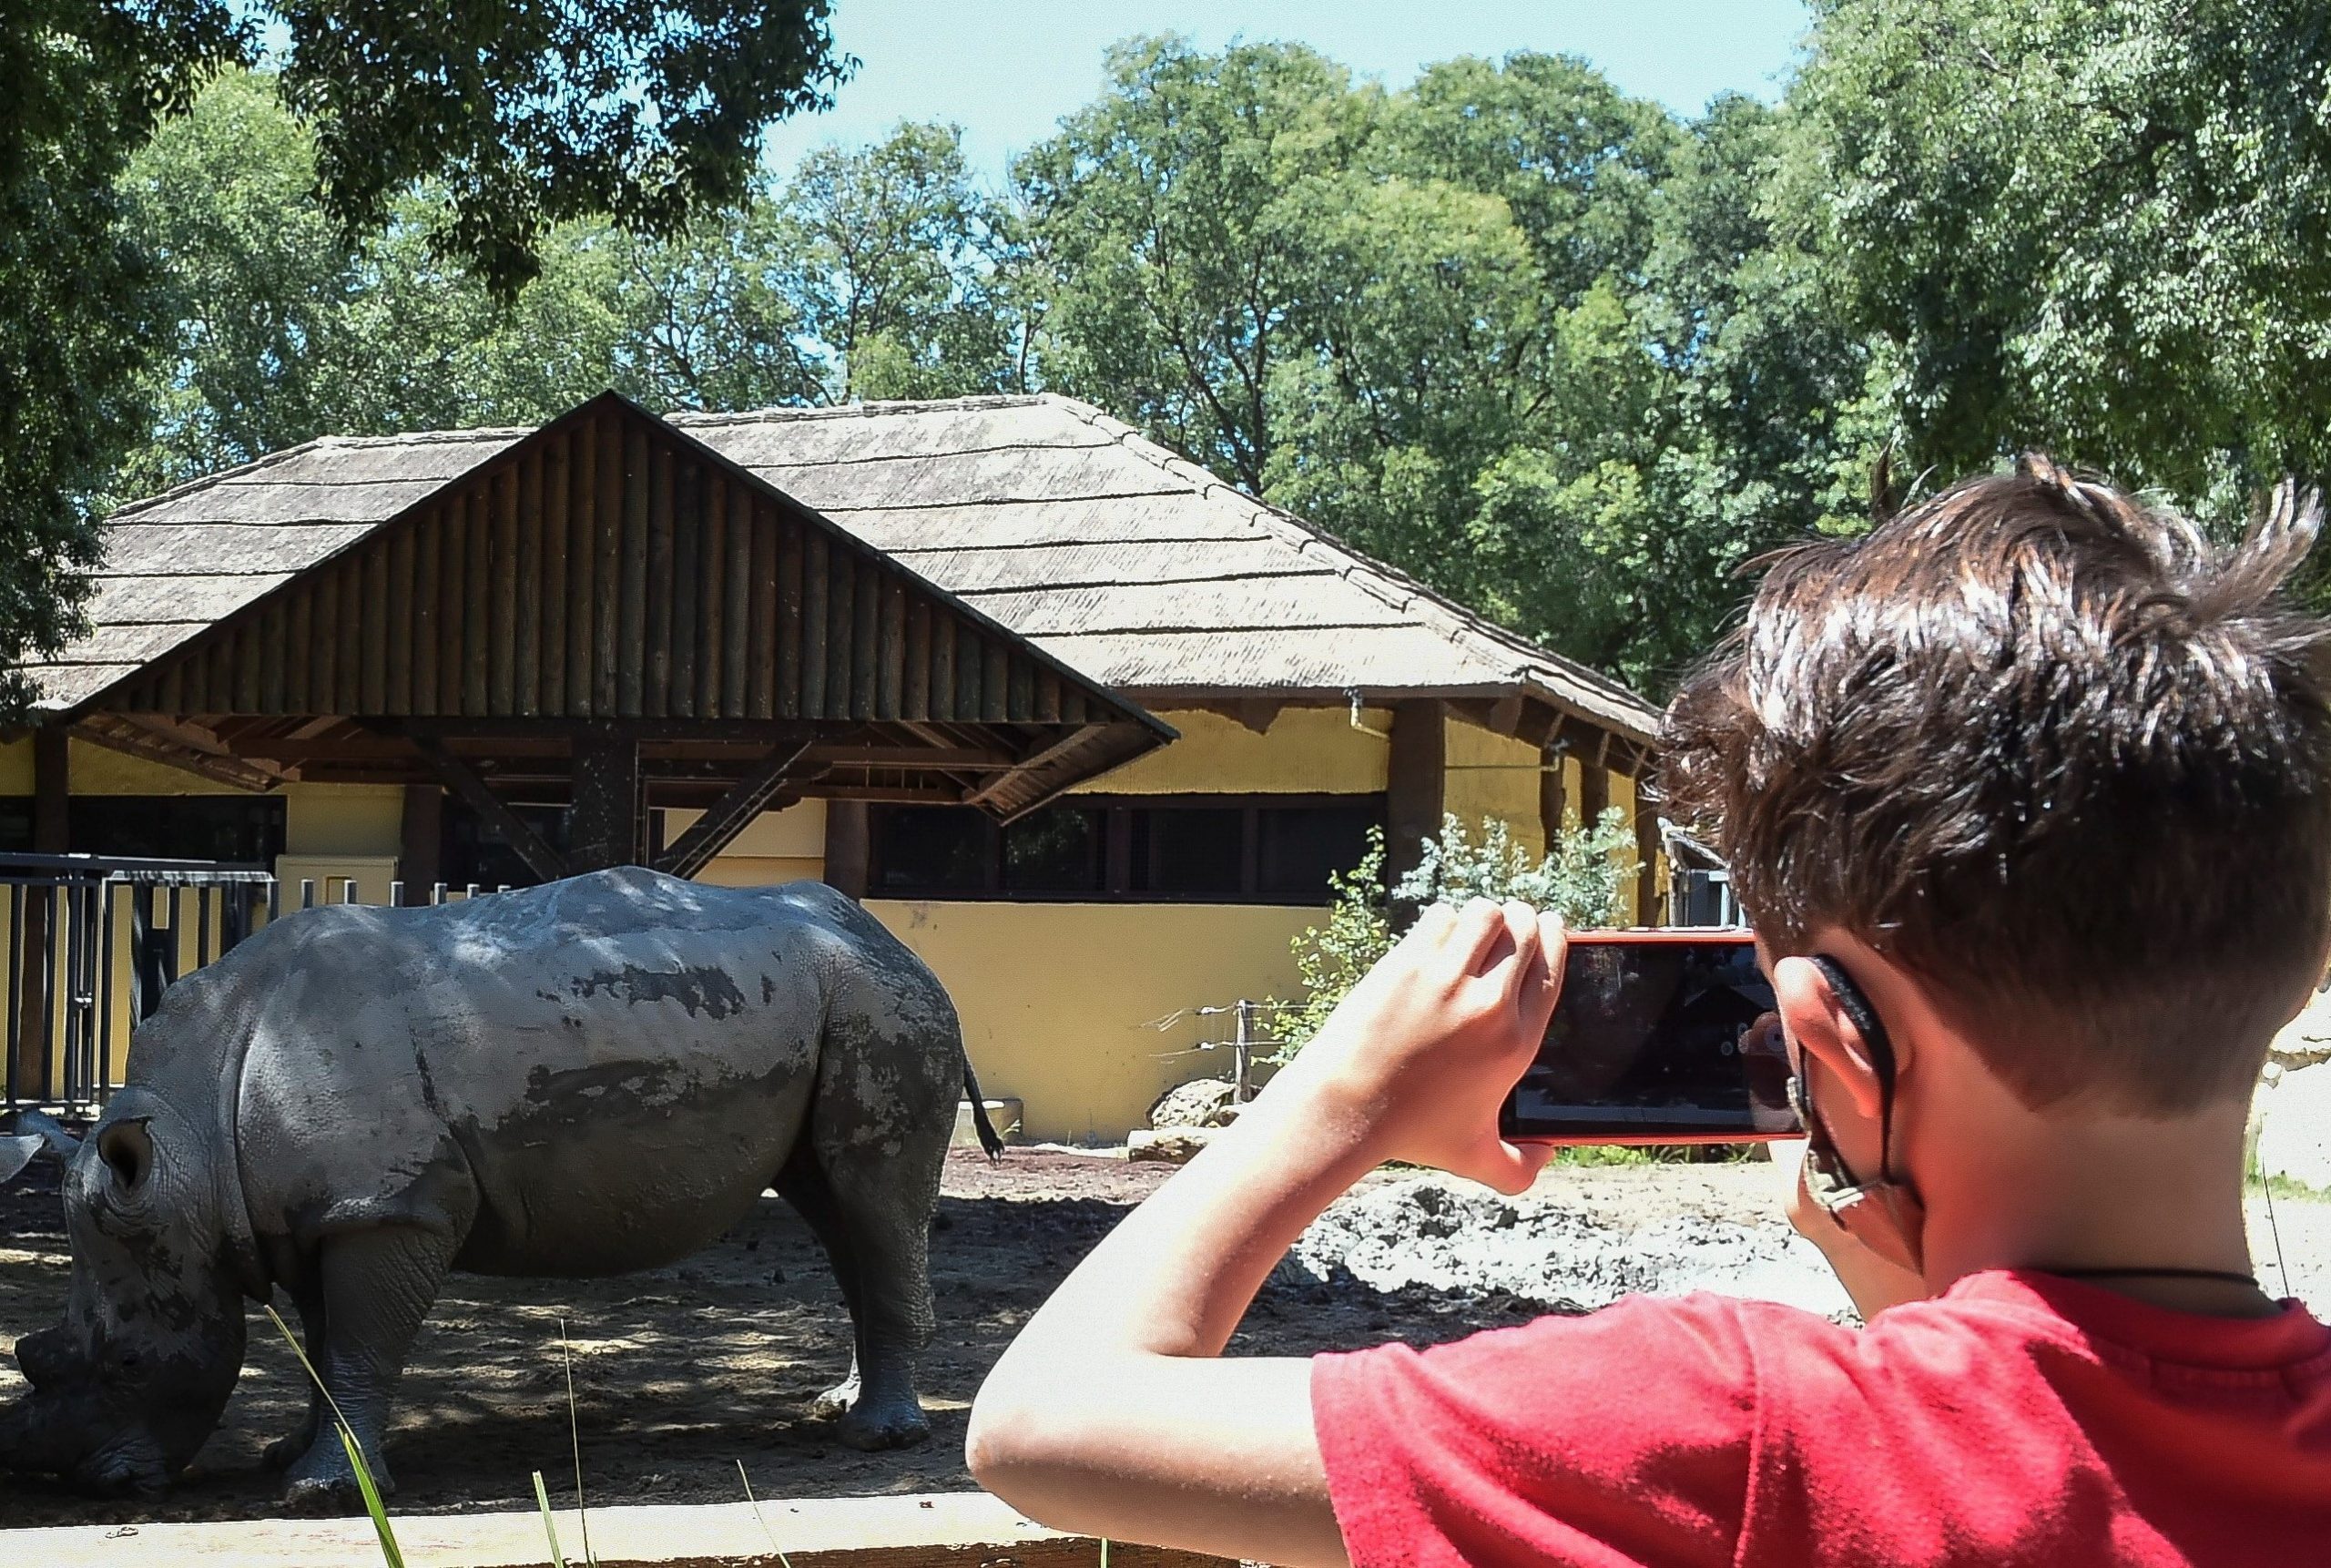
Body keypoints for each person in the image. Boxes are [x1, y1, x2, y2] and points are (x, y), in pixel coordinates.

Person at [964, 456, 2331, 1566]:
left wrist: (1333, 1101)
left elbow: (1042, 1422)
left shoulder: (1731, 1434)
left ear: (1832, 1049)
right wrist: (1917, 1292)